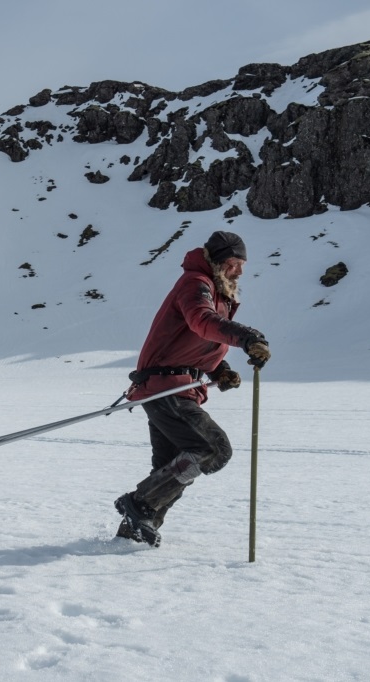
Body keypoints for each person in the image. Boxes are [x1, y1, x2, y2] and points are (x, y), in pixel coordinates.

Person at [114, 230, 270, 546]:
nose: (239, 271)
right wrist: (246, 337)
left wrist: (220, 369)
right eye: (234, 262)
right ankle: (139, 502)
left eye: (242, 264)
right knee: (213, 449)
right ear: (217, 260)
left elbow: (194, 343)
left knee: (173, 466)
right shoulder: (196, 284)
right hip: (166, 388)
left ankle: (136, 530)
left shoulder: (215, 291)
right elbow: (202, 321)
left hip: (173, 386)